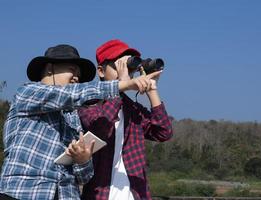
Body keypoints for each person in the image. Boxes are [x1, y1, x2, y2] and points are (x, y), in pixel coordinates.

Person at [0, 44, 160, 200]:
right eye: (72, 69)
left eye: (79, 73)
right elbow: (72, 94)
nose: (77, 77)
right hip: (23, 191)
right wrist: (124, 83)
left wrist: (83, 159)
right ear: (49, 68)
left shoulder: (74, 116)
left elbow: (84, 177)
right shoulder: (27, 93)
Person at [79, 39, 173, 200]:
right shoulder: (88, 102)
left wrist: (152, 90)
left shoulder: (133, 110)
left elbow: (163, 133)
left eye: (129, 67)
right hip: (100, 194)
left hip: (136, 194)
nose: (126, 72)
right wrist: (119, 86)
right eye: (118, 66)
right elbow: (99, 129)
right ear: (101, 71)